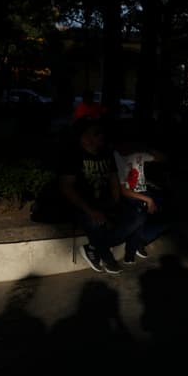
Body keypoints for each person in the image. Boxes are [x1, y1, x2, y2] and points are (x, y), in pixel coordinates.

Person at [56, 117, 145, 275]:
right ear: (84, 137)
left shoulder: (106, 154)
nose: (101, 137)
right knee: (95, 221)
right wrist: (90, 210)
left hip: (104, 202)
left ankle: (93, 247)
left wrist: (116, 204)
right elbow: (67, 187)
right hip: (82, 205)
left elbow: (113, 180)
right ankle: (107, 258)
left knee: (137, 217)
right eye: (96, 134)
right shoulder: (73, 156)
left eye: (101, 133)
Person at [112, 131, 172, 263]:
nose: (130, 147)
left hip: (143, 193)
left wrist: (145, 148)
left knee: (169, 213)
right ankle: (115, 245)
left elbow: (162, 158)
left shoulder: (136, 152)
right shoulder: (116, 158)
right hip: (131, 196)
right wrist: (148, 200)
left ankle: (137, 244)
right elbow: (124, 191)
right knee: (140, 218)